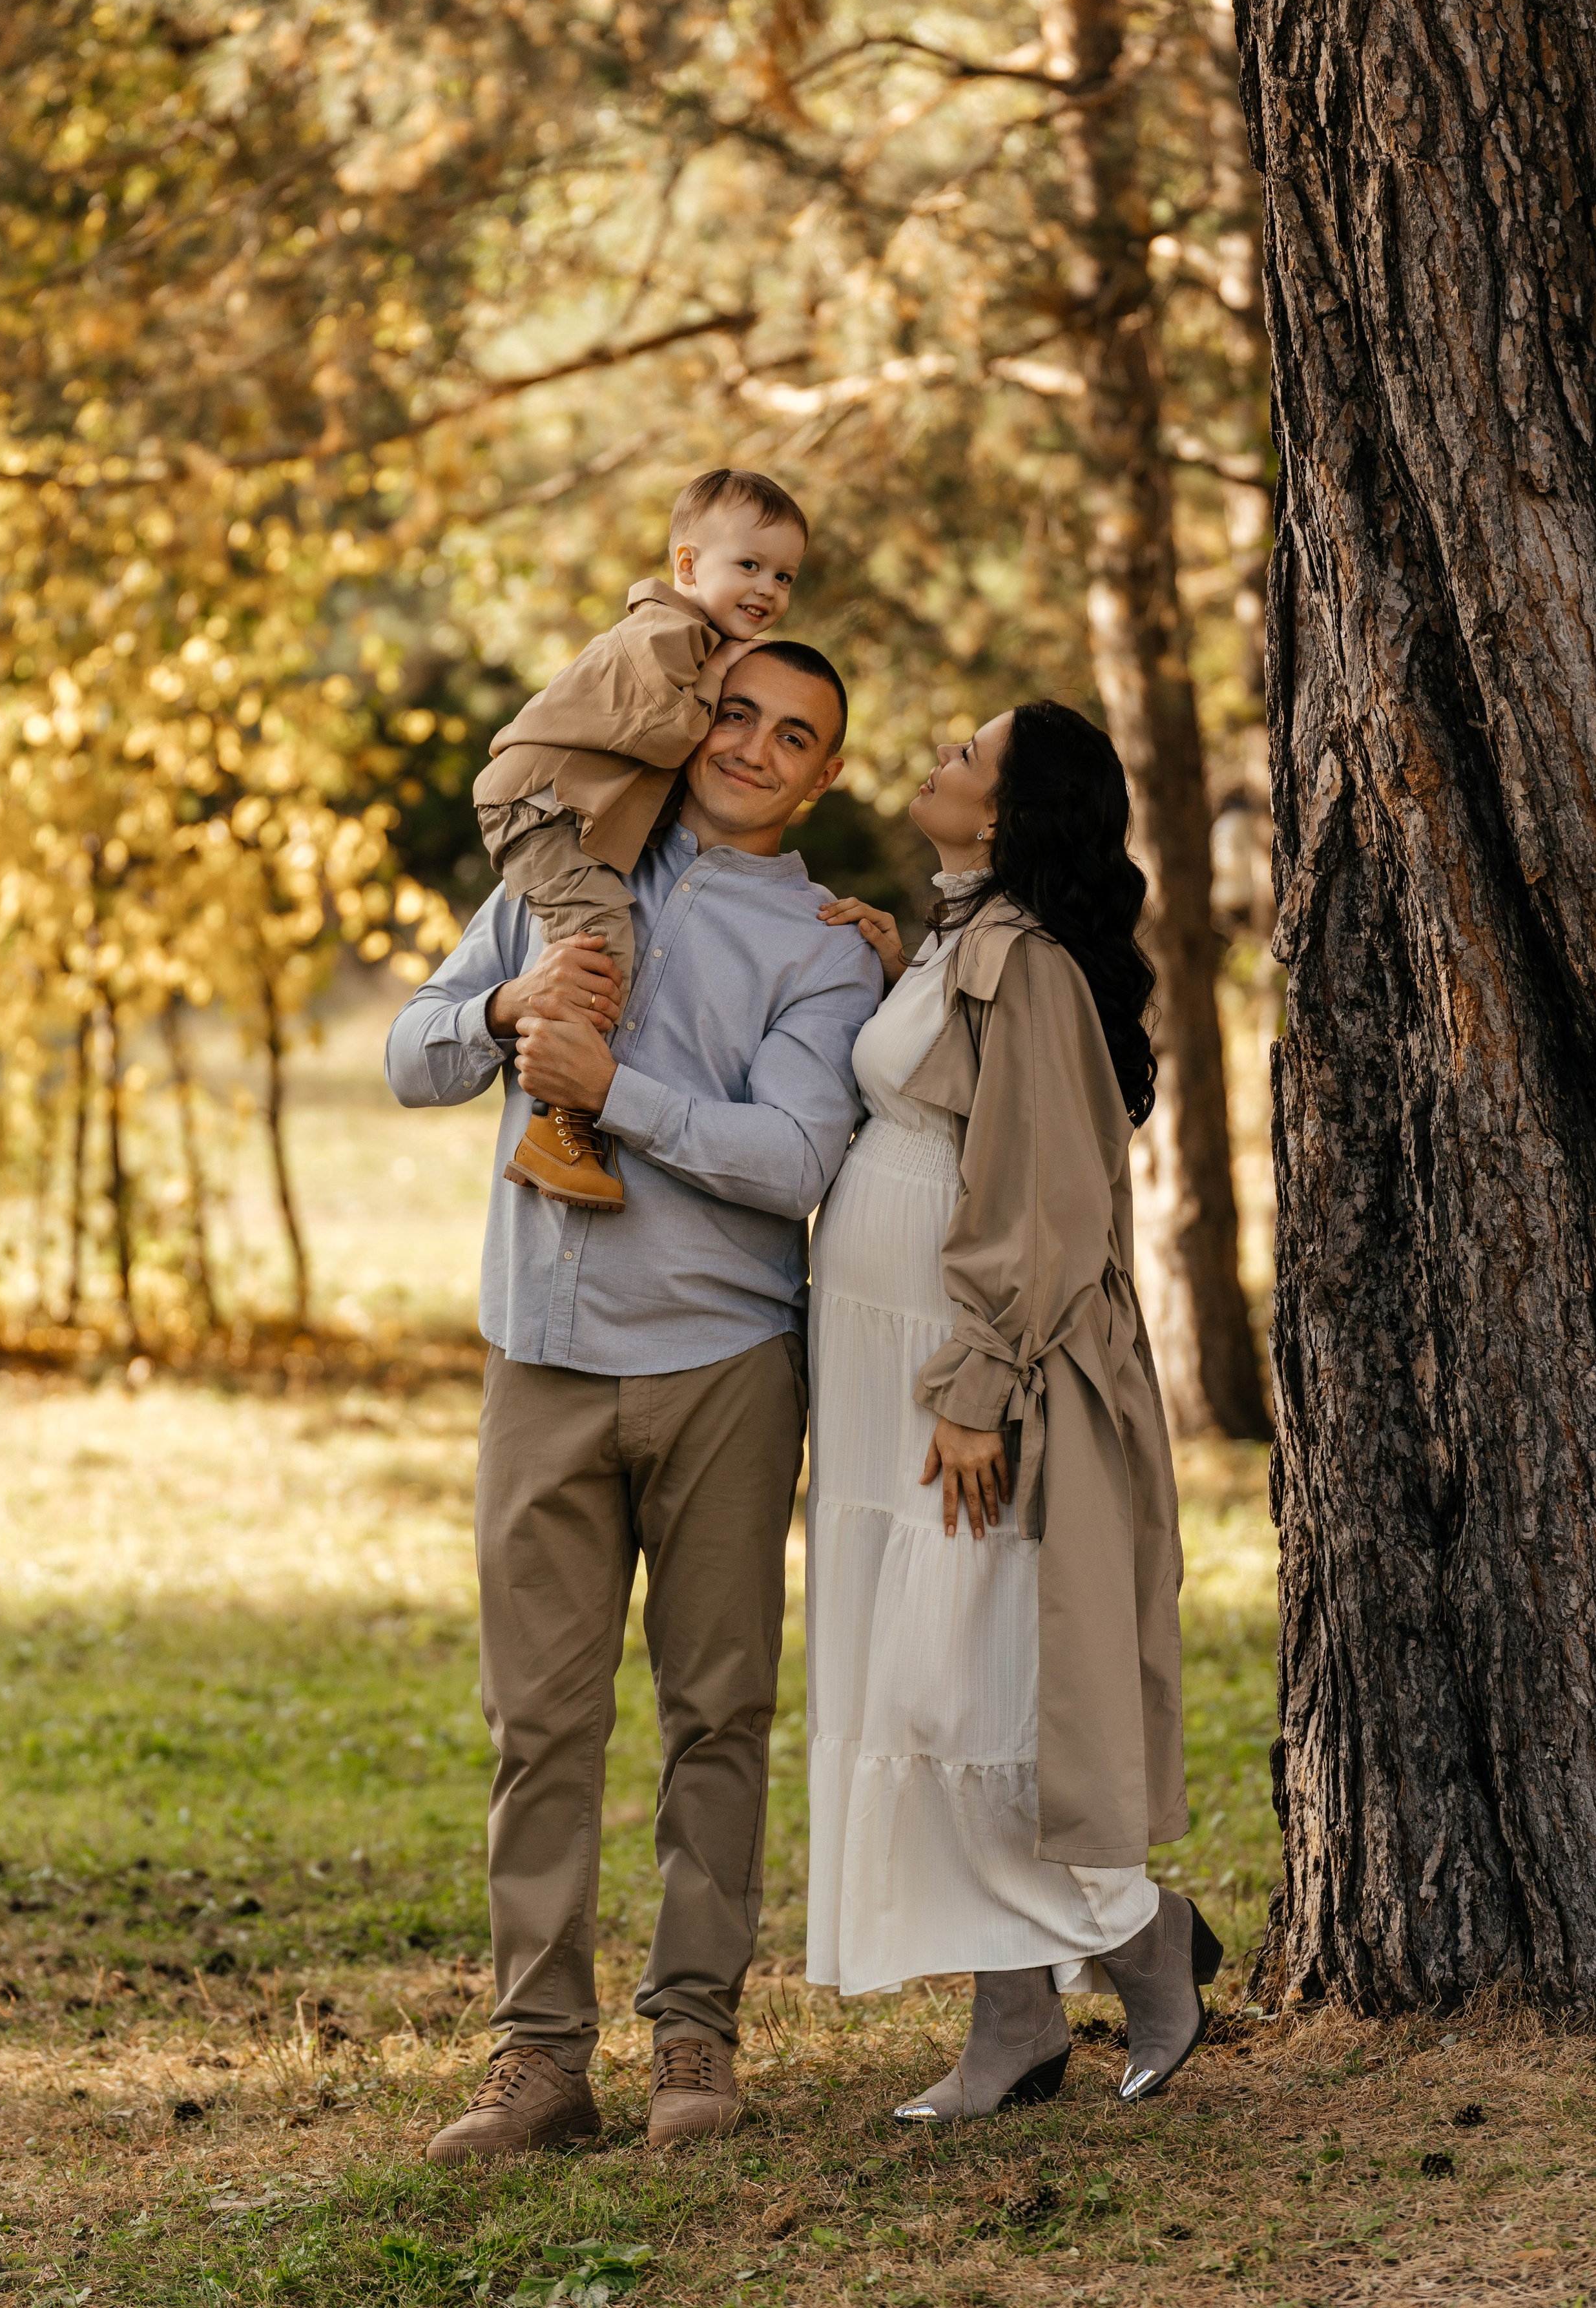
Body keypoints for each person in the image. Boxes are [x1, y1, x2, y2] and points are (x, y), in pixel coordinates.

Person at [387, 643, 882, 2157]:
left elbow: (793, 1158)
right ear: (692, 719)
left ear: (820, 776)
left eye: (791, 736)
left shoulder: (821, 947)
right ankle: (538, 2061)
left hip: (724, 1367)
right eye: (736, 713)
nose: (751, 747)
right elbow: (410, 1056)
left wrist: (615, 1093)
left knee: (716, 1714)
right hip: (541, 1363)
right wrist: (505, 1008)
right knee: (537, 1725)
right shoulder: (566, 874)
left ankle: (692, 2037)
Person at [807, 700, 1219, 2121]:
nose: (939, 758)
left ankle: (1145, 1942)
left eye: (967, 754)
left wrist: (977, 1388)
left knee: (961, 1685)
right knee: (928, 1682)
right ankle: (1015, 2028)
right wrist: (898, 971)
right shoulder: (963, 941)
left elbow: (1048, 1199)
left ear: (1007, 811)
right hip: (887, 1372)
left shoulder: (1026, 963)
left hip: (965, 1366)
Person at [472, 468, 809, 1210]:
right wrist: (719, 678)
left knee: (600, 933)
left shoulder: (691, 638)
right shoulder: (665, 636)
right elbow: (662, 737)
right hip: (543, 805)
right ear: (688, 565)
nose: (767, 589)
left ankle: (560, 1119)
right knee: (597, 945)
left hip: (567, 806)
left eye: (783, 576)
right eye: (749, 565)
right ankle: (558, 1123)